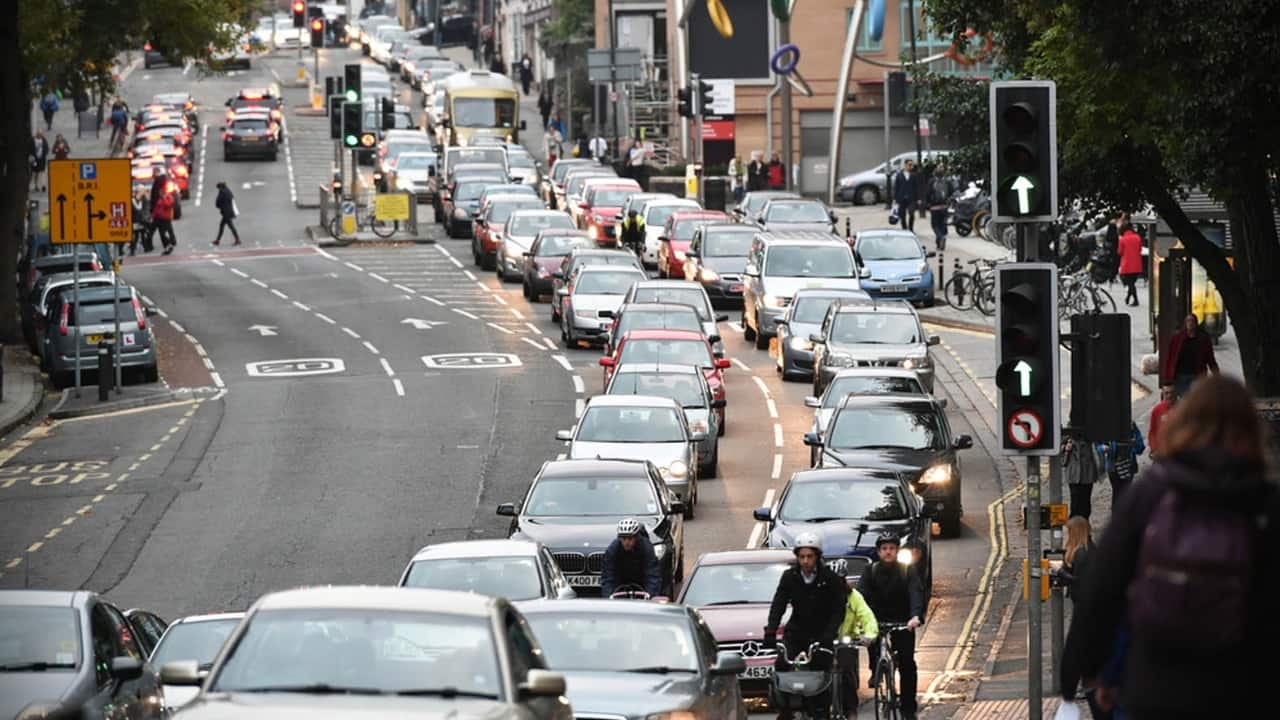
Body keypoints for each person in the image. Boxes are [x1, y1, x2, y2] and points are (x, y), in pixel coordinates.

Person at [1061, 376, 1280, 720]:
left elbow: (1101, 590)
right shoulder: (1267, 504)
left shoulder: (1152, 493)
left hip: (1156, 690)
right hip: (1245, 692)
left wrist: (1090, 672)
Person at [763, 532, 848, 720]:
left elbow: (838, 609)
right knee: (782, 665)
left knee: (820, 668)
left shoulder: (830, 578)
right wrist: (771, 630)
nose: (805, 561)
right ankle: (786, 709)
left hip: (821, 633)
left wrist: (829, 635)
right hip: (797, 630)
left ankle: (821, 712)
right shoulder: (789, 577)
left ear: (817, 557)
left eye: (809, 557)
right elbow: (779, 603)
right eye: (801, 557)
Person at [857, 535, 924, 720]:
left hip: (903, 621)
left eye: (892, 548)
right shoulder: (870, 571)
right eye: (884, 548)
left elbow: (915, 593)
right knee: (873, 645)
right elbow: (861, 596)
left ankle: (908, 708)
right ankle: (875, 670)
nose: (888, 551)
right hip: (877, 620)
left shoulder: (907, 570)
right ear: (879, 552)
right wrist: (860, 619)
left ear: (897, 551)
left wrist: (915, 616)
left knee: (907, 664)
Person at [836, 582, 878, 719]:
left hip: (846, 641)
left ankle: (851, 711)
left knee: (847, 672)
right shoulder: (821, 593)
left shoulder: (853, 596)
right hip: (825, 641)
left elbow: (867, 616)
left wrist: (869, 635)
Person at [599, 518, 661, 597]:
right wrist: (609, 598)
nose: (627, 542)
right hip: (620, 584)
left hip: (642, 583)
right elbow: (608, 578)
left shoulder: (646, 548)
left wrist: (650, 596)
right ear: (620, 538)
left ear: (636, 537)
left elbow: (652, 575)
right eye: (624, 538)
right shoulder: (612, 550)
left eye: (630, 538)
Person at [1161, 313, 1218, 397]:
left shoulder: (1203, 339)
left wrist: (1216, 373)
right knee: (1184, 399)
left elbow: (1210, 358)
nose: (1190, 323)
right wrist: (1167, 378)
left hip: (1197, 375)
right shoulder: (1177, 339)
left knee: (1195, 398)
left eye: (1192, 321)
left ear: (1196, 323)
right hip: (1181, 376)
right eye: (1188, 321)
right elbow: (1170, 358)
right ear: (1185, 323)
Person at [1096, 422, 1145, 506]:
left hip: (1129, 465)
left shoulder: (1131, 425)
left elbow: (1140, 448)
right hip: (1113, 467)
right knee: (1117, 495)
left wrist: (1132, 446)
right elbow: (1097, 446)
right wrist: (1103, 448)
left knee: (1126, 495)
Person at [1063, 433, 1103, 519]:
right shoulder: (1067, 434)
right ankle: (1075, 528)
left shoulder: (1090, 432)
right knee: (1075, 504)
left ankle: (1084, 527)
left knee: (1085, 504)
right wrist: (1066, 448)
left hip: (1087, 473)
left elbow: (1100, 444)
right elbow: (1058, 451)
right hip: (1074, 475)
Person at [925, 164, 953, 250]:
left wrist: (927, 204)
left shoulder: (931, 181)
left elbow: (928, 193)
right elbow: (951, 192)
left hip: (934, 207)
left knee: (935, 225)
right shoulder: (947, 181)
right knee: (942, 224)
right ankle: (941, 240)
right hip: (944, 206)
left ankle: (940, 237)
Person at [1147, 383, 1176, 460]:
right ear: (1162, 394)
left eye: (1171, 392)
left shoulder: (1183, 408)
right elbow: (1152, 432)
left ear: (1176, 393)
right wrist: (1154, 449)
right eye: (1166, 393)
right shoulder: (1157, 410)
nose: (1169, 396)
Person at [1117, 222, 1143, 306]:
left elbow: (1120, 252)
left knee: (1130, 283)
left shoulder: (1122, 239)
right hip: (1137, 264)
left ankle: (1135, 300)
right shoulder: (1137, 237)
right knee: (1132, 283)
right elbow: (1139, 249)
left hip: (1127, 265)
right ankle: (1129, 298)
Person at [892, 160, 919, 233]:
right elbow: (896, 187)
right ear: (905, 165)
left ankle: (911, 228)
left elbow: (916, 187)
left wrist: (918, 198)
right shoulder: (899, 175)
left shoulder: (914, 175)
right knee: (902, 215)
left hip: (911, 198)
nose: (911, 166)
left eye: (912, 165)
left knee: (911, 213)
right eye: (910, 165)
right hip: (901, 198)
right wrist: (895, 198)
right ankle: (904, 228)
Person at [213, 181, 241, 246]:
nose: (218, 189)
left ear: (220, 187)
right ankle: (218, 240)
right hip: (228, 212)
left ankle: (237, 239)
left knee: (229, 226)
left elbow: (218, 202)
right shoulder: (228, 191)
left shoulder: (222, 192)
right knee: (223, 226)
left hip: (226, 213)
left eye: (218, 188)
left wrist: (219, 205)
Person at [151, 187, 177, 255]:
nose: (160, 192)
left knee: (165, 233)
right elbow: (156, 208)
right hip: (158, 218)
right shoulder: (160, 199)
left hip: (166, 218)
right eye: (159, 191)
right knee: (161, 234)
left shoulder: (169, 197)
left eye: (161, 191)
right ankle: (167, 247)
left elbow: (168, 205)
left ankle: (169, 244)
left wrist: (163, 197)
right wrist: (153, 216)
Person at [130, 190, 150, 255]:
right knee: (138, 236)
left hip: (138, 221)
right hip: (138, 221)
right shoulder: (138, 201)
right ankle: (135, 249)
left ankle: (134, 250)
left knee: (139, 236)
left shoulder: (140, 201)